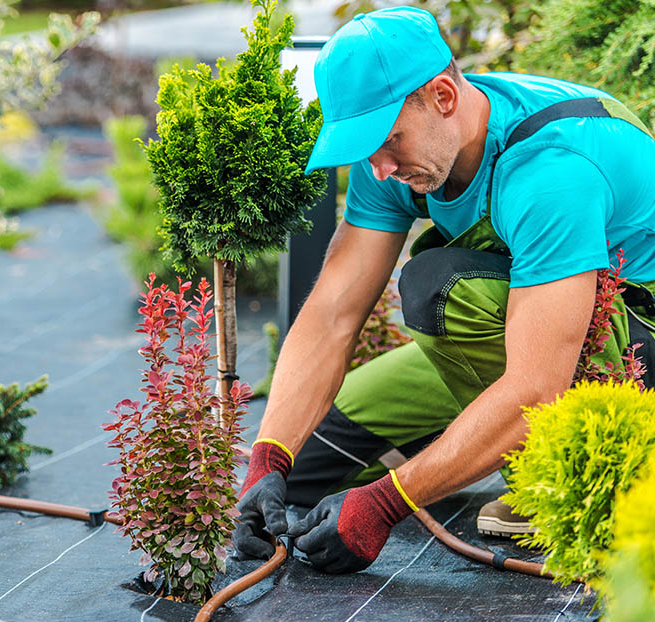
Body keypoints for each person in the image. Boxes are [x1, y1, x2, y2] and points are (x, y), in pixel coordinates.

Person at [233, 6, 655, 573]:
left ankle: (554, 484)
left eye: (388, 141)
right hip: (530, 327)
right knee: (305, 466)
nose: (379, 167)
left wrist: (388, 503)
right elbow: (334, 312)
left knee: (438, 286)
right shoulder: (404, 154)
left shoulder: (550, 168)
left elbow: (536, 384)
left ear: (443, 97)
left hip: (628, 345)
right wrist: (268, 460)